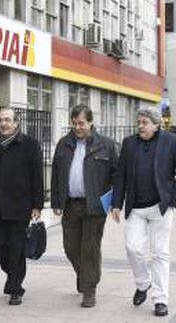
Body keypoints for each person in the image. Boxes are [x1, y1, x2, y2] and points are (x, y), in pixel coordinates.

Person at [111, 107, 176, 317]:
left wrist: (173, 200)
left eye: (144, 123)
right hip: (136, 207)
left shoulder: (173, 142)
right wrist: (116, 203)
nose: (140, 126)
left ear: (156, 124)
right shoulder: (129, 143)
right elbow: (121, 175)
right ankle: (143, 283)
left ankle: (160, 300)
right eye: (139, 122)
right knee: (132, 248)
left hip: (160, 208)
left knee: (160, 253)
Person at [51, 104, 118, 308]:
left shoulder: (106, 145)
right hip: (71, 204)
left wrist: (115, 203)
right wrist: (56, 201)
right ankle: (86, 275)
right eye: (74, 123)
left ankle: (89, 290)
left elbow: (117, 175)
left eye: (81, 123)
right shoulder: (64, 144)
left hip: (95, 206)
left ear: (90, 122)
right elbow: (55, 174)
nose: (77, 127)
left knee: (89, 248)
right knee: (70, 247)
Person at [0, 107, 44, 306]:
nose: (4, 123)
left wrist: (37, 204)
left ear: (16, 123)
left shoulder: (30, 145)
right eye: (1, 120)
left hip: (19, 206)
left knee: (16, 247)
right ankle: (13, 274)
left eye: (8, 120)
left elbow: (37, 176)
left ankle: (15, 288)